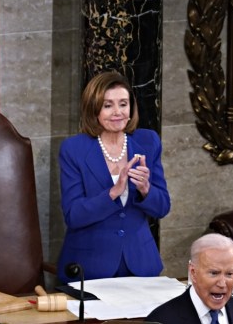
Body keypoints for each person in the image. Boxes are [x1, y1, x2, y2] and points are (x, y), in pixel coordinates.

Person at [57, 71, 170, 283]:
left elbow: (162, 207)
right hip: (89, 267)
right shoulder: (74, 149)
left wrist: (146, 189)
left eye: (123, 104)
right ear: (94, 109)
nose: (117, 112)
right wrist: (113, 192)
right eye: (108, 105)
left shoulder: (148, 141)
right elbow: (74, 215)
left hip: (140, 265)